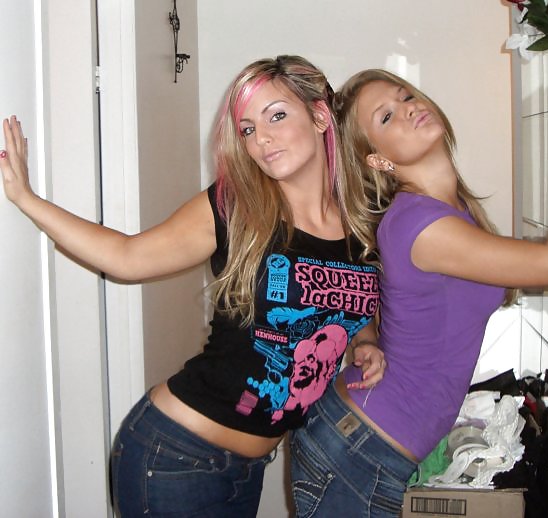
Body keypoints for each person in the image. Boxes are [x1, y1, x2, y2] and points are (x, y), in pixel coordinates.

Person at [0, 55, 386, 517]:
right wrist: (27, 199)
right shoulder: (236, 208)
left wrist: (365, 341)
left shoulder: (362, 225)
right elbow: (126, 257)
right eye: (247, 129)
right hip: (175, 457)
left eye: (276, 116)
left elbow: (350, 307)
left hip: (248, 469)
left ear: (320, 115)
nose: (261, 139)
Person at [288, 68, 548, 517]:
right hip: (355, 450)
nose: (408, 108)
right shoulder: (421, 225)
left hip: (364, 442)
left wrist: (367, 339)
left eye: (405, 96)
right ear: (378, 160)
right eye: (386, 116)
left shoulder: (444, 211)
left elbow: (380, 289)